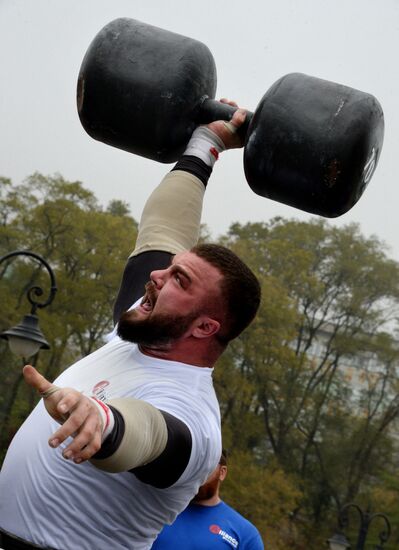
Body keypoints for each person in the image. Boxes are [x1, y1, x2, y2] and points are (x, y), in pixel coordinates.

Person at [0, 103, 261, 550]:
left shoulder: (195, 420)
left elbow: (150, 437)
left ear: (203, 327)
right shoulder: (140, 329)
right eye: (171, 268)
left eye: (179, 278)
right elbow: (163, 226)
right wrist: (209, 141)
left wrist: (102, 420)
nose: (157, 276)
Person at [151, 450, 264, 549]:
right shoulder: (155, 511)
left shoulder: (245, 533)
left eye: (207, 466)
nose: (198, 473)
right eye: (194, 464)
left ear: (222, 472)